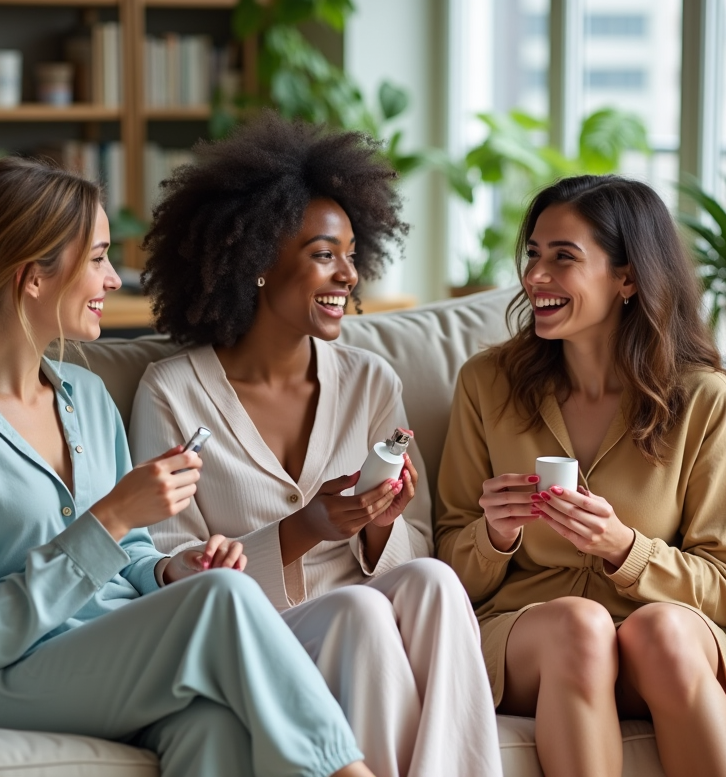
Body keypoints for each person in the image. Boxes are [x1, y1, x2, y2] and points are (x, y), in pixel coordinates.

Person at [0, 157, 376, 777]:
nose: (114, 279)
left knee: (212, 723)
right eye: (98, 258)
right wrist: (109, 518)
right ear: (33, 278)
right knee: (222, 598)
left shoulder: (85, 398)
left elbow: (131, 559)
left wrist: (169, 569)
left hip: (112, 655)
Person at [130, 112, 503, 777]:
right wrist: (305, 529)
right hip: (255, 637)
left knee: (435, 580)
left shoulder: (368, 380)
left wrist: (381, 527)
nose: (348, 276)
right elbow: (166, 566)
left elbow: (412, 546)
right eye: (324, 255)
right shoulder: (172, 392)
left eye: (352, 255)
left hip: (367, 617)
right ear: (258, 263)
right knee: (359, 610)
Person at [434, 175, 726, 777]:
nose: (534, 276)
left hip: (656, 637)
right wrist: (494, 537)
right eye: (533, 255)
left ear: (627, 278)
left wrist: (625, 550)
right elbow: (447, 571)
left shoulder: (703, 399)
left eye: (563, 258)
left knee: (663, 636)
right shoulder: (486, 383)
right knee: (580, 624)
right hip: (533, 641)